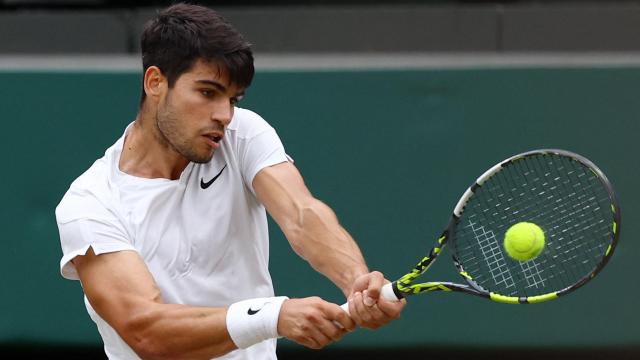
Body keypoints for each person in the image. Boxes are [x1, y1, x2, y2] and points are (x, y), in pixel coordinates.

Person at [55, 3, 405, 359]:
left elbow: (302, 215)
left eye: (232, 99)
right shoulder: (89, 204)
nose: (224, 115)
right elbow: (146, 330)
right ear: (155, 82)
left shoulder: (241, 133)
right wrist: (273, 317)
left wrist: (356, 281)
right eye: (207, 93)